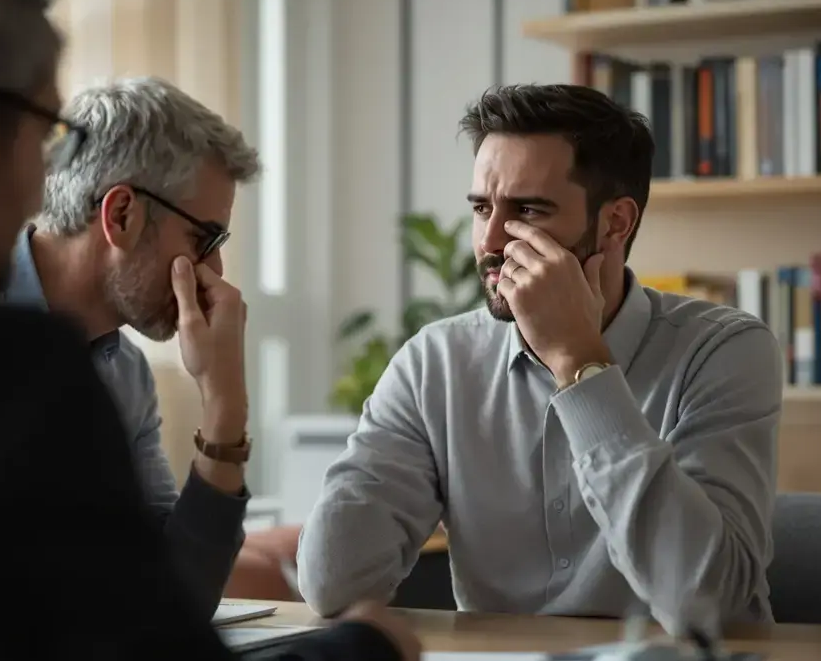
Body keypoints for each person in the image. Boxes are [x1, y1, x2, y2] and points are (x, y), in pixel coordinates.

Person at [0, 0, 418, 660]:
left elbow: (161, 598)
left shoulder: (109, 368)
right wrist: (366, 646)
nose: (45, 181)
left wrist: (225, 415)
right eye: (46, 132)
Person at [297, 83, 782, 634]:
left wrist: (581, 366)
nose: (491, 241)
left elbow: (709, 608)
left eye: (528, 210)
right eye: (482, 208)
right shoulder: (436, 361)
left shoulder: (723, 350)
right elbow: (333, 586)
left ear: (616, 222)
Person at [2, 77, 258, 618]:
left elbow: (175, 603)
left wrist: (225, 411)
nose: (216, 272)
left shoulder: (126, 376)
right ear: (121, 215)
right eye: (204, 239)